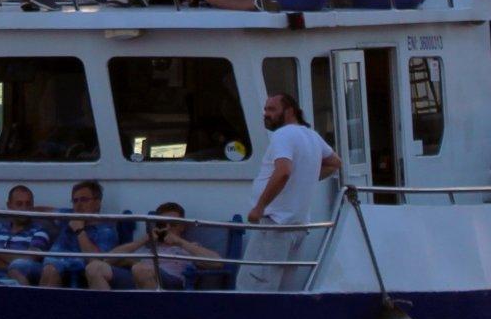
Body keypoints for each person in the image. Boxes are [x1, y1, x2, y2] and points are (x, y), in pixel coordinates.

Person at [241, 94, 341, 292]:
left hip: (274, 225)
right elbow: (335, 163)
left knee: (254, 287)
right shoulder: (311, 136)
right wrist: (306, 178)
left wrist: (259, 207)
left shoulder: (283, 135)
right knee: (284, 289)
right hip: (297, 226)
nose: (266, 114)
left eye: (271, 109)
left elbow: (284, 170)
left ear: (289, 111)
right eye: (265, 110)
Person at [106, 203, 227, 290]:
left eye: (173, 224)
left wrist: (180, 242)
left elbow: (218, 263)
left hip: (172, 282)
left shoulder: (190, 247)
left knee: (141, 269)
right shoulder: (147, 247)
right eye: (162, 224)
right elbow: (107, 260)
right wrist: (144, 239)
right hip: (139, 277)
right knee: (95, 268)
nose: (167, 228)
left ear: (182, 226)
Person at [41, 179, 125, 289]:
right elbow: (43, 211)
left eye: (84, 200)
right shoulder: (68, 214)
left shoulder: (106, 230)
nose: (78, 205)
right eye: (75, 201)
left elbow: (95, 261)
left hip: (82, 268)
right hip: (54, 263)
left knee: (53, 269)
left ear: (97, 203)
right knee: (44, 268)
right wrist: (23, 210)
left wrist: (80, 231)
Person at [0, 185, 53, 285]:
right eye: (19, 204)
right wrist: (15, 262)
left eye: (28, 204)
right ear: (9, 206)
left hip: (15, 283)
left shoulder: (39, 231)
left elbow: (28, 260)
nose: (24, 209)